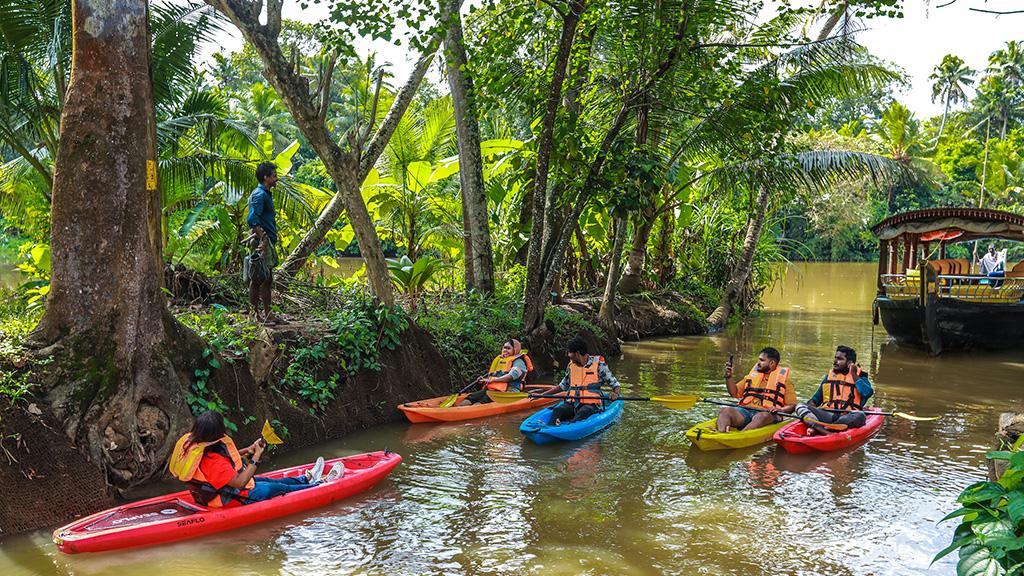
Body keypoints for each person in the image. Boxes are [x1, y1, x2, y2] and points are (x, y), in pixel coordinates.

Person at [169, 411, 341, 507]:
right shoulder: (213, 461)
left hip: (218, 491)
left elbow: (226, 461)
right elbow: (240, 482)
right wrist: (256, 457)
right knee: (277, 487)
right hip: (227, 498)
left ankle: (306, 478)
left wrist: (248, 450)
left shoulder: (195, 445)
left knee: (264, 479)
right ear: (217, 432)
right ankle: (321, 485)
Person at [794, 345, 874, 435]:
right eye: (835, 358)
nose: (835, 361)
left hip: (846, 416)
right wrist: (810, 409)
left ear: (849, 363)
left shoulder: (860, 377)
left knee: (860, 415)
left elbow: (867, 393)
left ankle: (822, 428)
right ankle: (821, 429)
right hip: (827, 415)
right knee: (800, 406)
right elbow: (815, 399)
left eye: (840, 359)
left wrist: (853, 374)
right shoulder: (829, 377)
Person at [717, 347, 796, 432]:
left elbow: (792, 406)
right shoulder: (751, 377)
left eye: (762, 360)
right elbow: (734, 393)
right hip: (745, 411)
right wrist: (729, 377)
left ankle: (741, 436)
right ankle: (720, 433)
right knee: (725, 411)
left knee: (761, 417)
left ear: (772, 363)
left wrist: (780, 410)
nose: (758, 363)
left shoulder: (785, 382)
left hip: (768, 414)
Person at [549, 337, 621, 425]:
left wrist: (616, 393)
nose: (568, 355)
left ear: (577, 353)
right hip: (573, 402)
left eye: (570, 353)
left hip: (591, 405)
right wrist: (543, 395)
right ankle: (551, 427)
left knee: (582, 413)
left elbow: (615, 384)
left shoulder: (600, 366)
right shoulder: (571, 366)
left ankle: (570, 427)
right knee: (558, 411)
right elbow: (563, 385)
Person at [247, 162, 280, 324]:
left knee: (268, 278)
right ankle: (254, 315)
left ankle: (268, 314)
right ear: (265, 177)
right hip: (261, 241)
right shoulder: (259, 195)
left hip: (267, 241)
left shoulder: (265, 194)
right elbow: (252, 220)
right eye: (274, 176)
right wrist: (263, 239)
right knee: (258, 278)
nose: (276, 179)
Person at [459, 338, 534, 405]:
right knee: (471, 397)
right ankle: (458, 408)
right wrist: (483, 380)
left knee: (483, 400)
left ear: (515, 350)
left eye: (508, 348)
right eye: (504, 348)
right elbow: (492, 375)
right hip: (493, 389)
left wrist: (493, 380)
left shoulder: (519, 362)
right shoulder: (500, 360)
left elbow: (510, 377)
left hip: (508, 392)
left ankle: (467, 412)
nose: (505, 350)